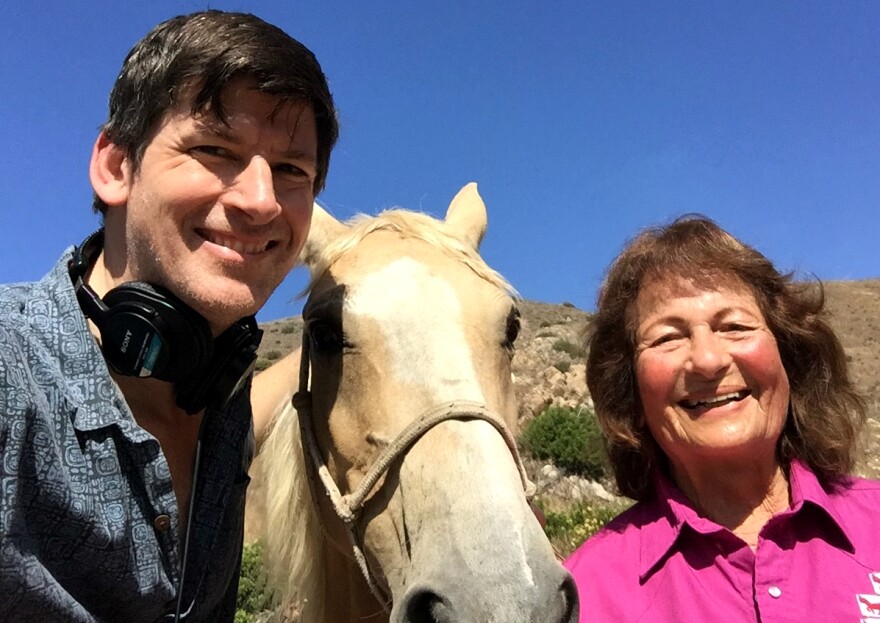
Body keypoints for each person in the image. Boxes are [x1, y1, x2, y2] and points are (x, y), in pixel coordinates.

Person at [0, 10, 338, 622]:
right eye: (214, 150)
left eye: (291, 170)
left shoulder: (223, 407)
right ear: (115, 167)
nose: (261, 201)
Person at [565, 216, 880, 621]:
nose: (708, 360)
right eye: (667, 337)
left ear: (788, 356)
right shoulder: (586, 594)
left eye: (734, 326)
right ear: (630, 389)